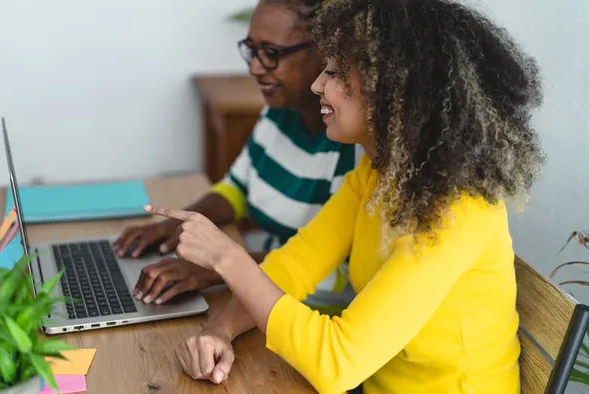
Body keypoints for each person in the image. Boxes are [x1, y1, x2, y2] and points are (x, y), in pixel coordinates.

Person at [144, 0, 545, 393]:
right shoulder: (375, 176)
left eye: (335, 73)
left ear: (393, 92)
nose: (319, 84)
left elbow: (337, 365)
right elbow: (294, 265)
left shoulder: (459, 214)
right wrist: (220, 330)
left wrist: (225, 257)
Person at [113, 0, 360, 312]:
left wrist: (215, 267)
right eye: (251, 49)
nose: (255, 67)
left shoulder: (353, 151)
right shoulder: (280, 113)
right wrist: (174, 226)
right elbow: (237, 187)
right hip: (261, 289)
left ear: (325, 52)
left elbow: (332, 274)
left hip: (308, 311)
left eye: (271, 54)